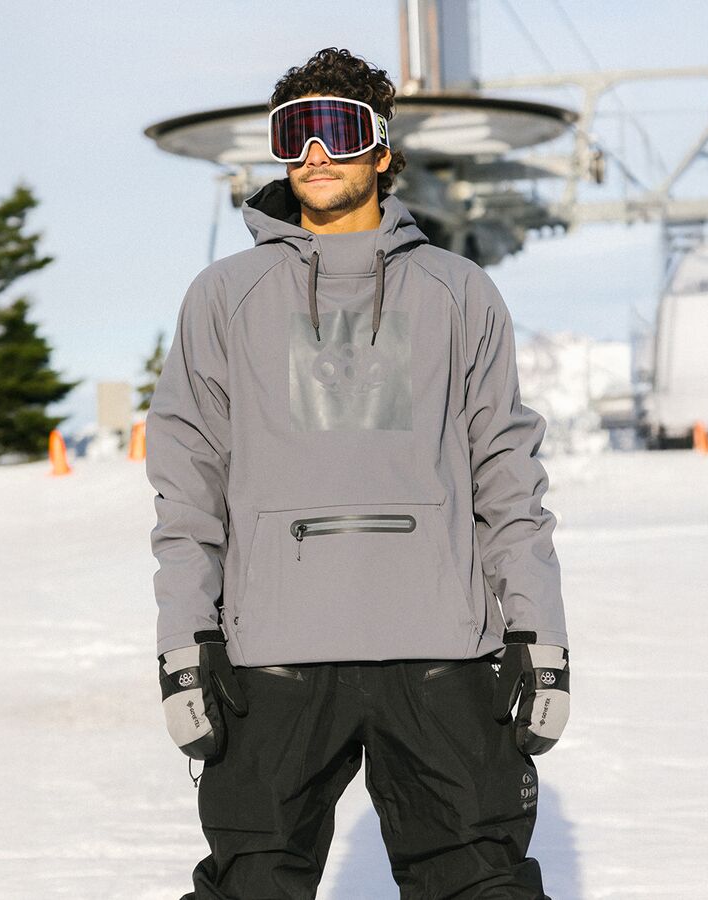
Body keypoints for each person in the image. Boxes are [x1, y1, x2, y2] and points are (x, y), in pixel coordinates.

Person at [146, 47, 570, 900]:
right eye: (293, 133)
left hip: (441, 649)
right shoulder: (223, 297)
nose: (313, 154)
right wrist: (184, 644)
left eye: (336, 131)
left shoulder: (459, 292)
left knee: (480, 882)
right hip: (274, 653)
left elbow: (507, 474)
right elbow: (187, 484)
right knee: (251, 886)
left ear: (381, 151)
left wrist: (542, 634)